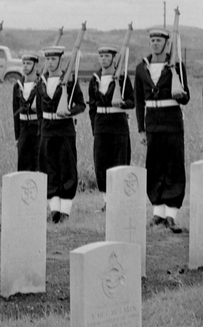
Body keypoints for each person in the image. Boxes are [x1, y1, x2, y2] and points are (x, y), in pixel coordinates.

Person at [134, 28, 190, 232]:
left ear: (167, 43)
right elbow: (139, 102)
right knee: (155, 166)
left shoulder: (176, 66)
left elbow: (186, 97)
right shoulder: (141, 68)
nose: (155, 43)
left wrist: (179, 93)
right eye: (152, 40)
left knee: (174, 166)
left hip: (172, 123)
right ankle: (157, 213)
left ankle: (171, 215)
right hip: (153, 124)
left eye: (159, 40)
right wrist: (141, 129)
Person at [38, 45, 85, 223]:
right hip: (47, 131)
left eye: (53, 59)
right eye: (47, 59)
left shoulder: (70, 80)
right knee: (49, 169)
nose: (50, 63)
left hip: (64, 129)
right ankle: (54, 209)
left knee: (67, 168)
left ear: (60, 60)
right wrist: (41, 131)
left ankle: (65, 210)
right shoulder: (42, 81)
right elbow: (39, 110)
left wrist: (70, 112)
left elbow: (81, 104)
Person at [88, 45, 134, 192]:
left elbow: (132, 101)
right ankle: (107, 199)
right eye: (101, 56)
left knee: (120, 161)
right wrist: (94, 128)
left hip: (118, 124)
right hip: (101, 125)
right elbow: (92, 108)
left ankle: (120, 196)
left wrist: (123, 103)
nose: (103, 59)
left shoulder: (123, 79)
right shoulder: (94, 80)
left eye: (107, 56)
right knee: (101, 164)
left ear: (114, 58)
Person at [12, 50, 42, 173]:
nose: (25, 66)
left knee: (39, 162)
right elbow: (15, 112)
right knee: (23, 163)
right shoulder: (18, 85)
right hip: (24, 127)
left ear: (35, 66)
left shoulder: (41, 84)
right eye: (24, 63)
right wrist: (17, 136)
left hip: (37, 128)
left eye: (28, 63)